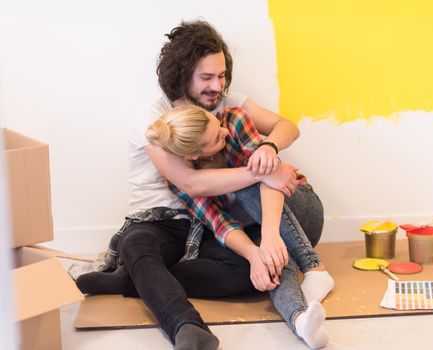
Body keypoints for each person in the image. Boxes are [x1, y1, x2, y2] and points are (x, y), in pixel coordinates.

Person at [75, 20, 328, 349]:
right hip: (164, 220)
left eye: (221, 75)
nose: (217, 86)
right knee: (139, 248)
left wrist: (269, 149)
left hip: (211, 225)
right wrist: (264, 171)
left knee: (255, 265)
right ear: (182, 76)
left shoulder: (230, 111)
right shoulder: (155, 120)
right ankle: (184, 326)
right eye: (206, 78)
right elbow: (191, 183)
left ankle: (135, 280)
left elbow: (285, 126)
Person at [144, 104, 334, 347]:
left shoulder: (234, 120)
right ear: (193, 155)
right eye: (215, 137)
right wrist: (256, 254)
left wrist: (270, 235)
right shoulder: (180, 182)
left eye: (218, 125)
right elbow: (221, 225)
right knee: (271, 264)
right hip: (262, 230)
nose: (223, 132)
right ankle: (300, 321)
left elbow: (270, 178)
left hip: (298, 208)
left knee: (247, 179)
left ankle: (314, 266)